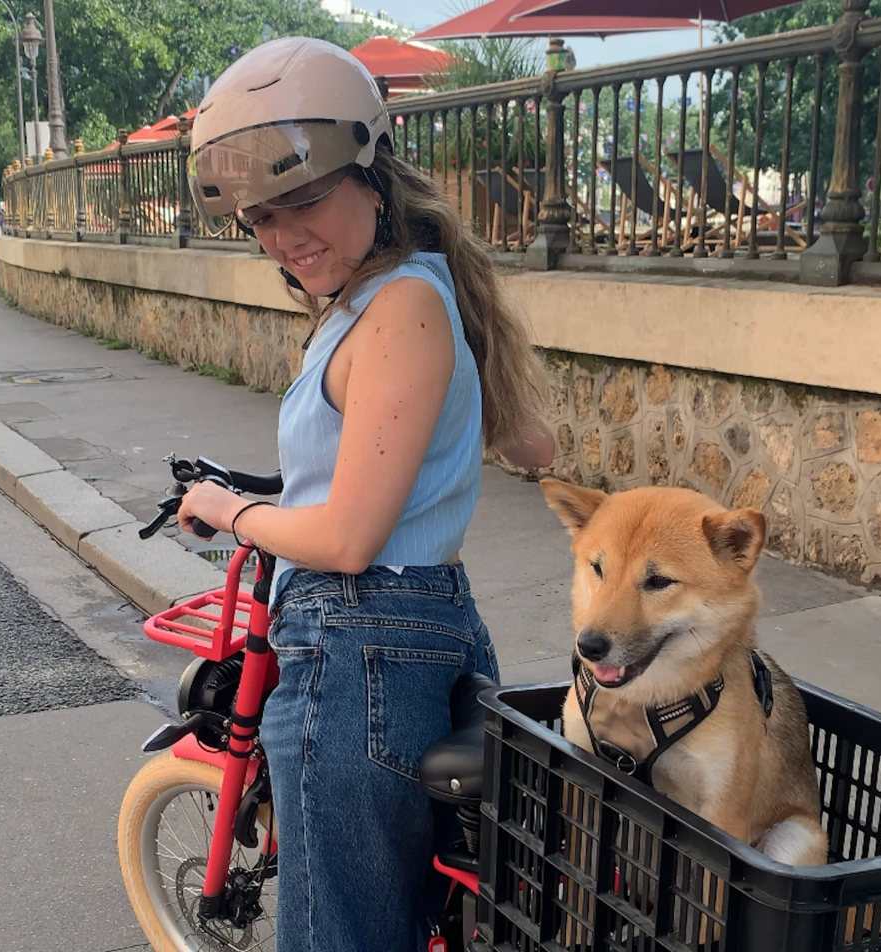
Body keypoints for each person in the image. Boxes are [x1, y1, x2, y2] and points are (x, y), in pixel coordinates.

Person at [177, 37, 555, 952]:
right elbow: (529, 441)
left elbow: (347, 538)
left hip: (359, 642)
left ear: (372, 171)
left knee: (341, 933)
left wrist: (227, 509)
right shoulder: (408, 290)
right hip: (408, 633)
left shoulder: (398, 309)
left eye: (304, 198)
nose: (282, 234)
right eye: (259, 217)